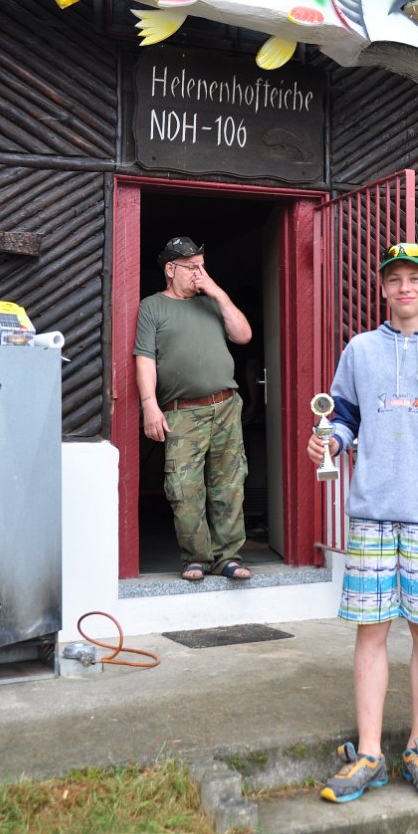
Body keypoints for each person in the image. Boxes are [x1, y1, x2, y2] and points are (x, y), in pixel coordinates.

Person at [307, 241, 418, 804]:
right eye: (395, 279)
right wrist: (330, 442)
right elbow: (345, 417)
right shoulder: (359, 350)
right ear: (383, 288)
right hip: (372, 513)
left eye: (415, 278)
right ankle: (368, 753)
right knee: (371, 631)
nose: (404, 287)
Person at [133, 236, 253, 581]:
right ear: (170, 269)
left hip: (226, 406)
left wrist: (218, 293)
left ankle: (228, 558)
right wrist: (149, 406)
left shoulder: (211, 302)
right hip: (182, 411)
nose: (199, 273)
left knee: (229, 484)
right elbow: (145, 359)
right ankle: (196, 558)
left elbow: (243, 335)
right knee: (184, 488)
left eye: (202, 266)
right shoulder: (152, 307)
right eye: (191, 267)